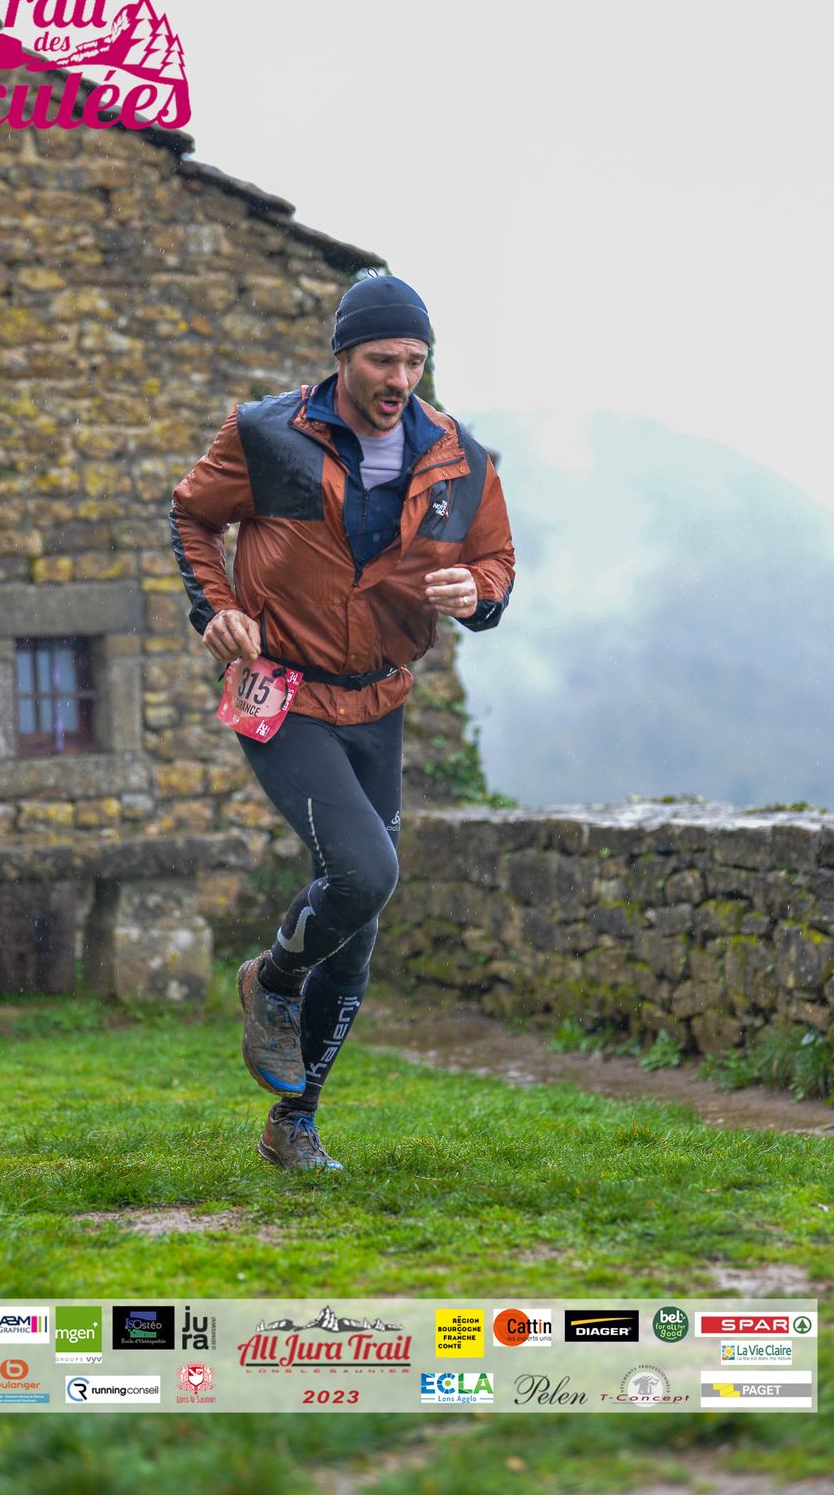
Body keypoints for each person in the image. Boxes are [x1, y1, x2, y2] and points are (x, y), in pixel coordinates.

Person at [170, 274, 514, 1170]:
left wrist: (474, 592)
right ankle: (272, 977)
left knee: (357, 936)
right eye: (381, 360)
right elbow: (192, 516)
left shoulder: (461, 459)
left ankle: (294, 1122)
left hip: (379, 698)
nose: (398, 378)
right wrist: (215, 609)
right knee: (364, 873)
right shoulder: (266, 433)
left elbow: (496, 564)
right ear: (342, 356)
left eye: (413, 361)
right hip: (279, 690)